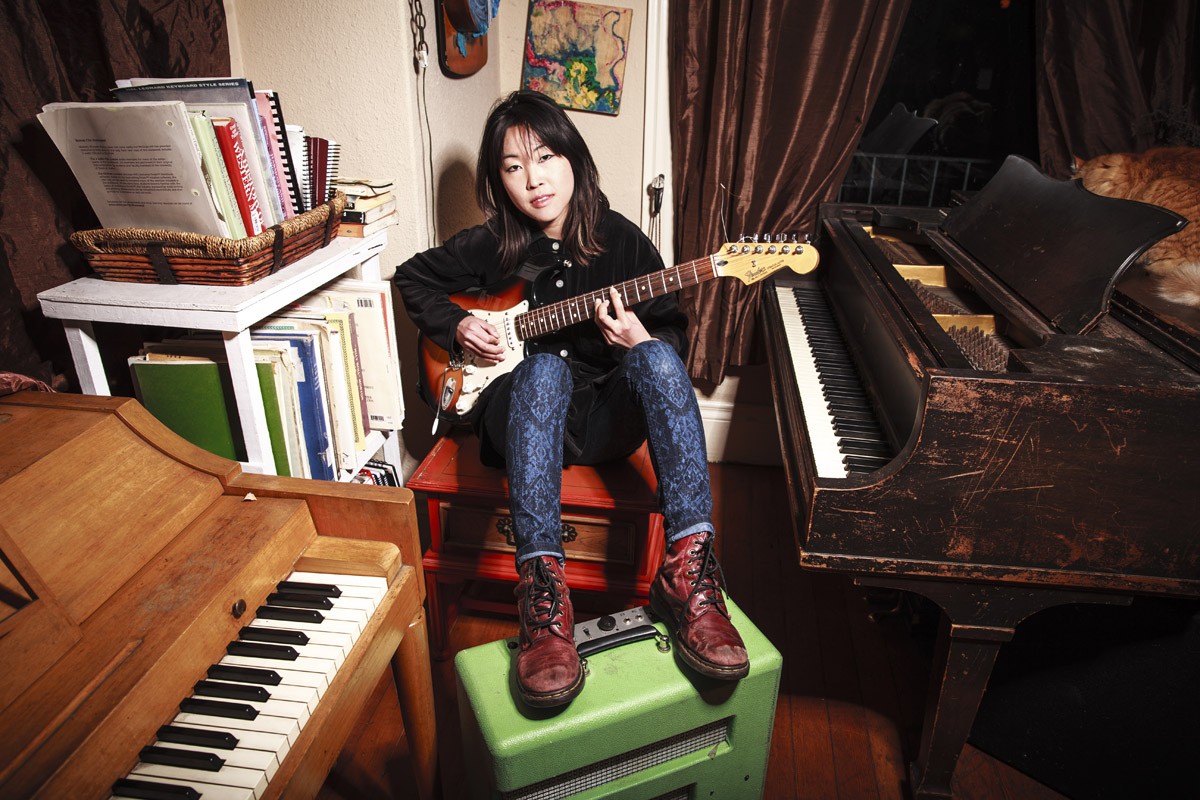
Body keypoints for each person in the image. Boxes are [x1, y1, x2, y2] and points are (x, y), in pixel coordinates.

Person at [395, 90, 747, 708]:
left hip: (604, 420)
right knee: (544, 373)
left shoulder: (622, 241)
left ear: (573, 158)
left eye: (545, 157)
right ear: (499, 180)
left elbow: (670, 329)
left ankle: (689, 575)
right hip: (522, 418)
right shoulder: (494, 244)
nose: (533, 179)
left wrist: (640, 340)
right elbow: (412, 277)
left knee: (657, 359)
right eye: (513, 167)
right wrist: (458, 324)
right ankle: (544, 599)